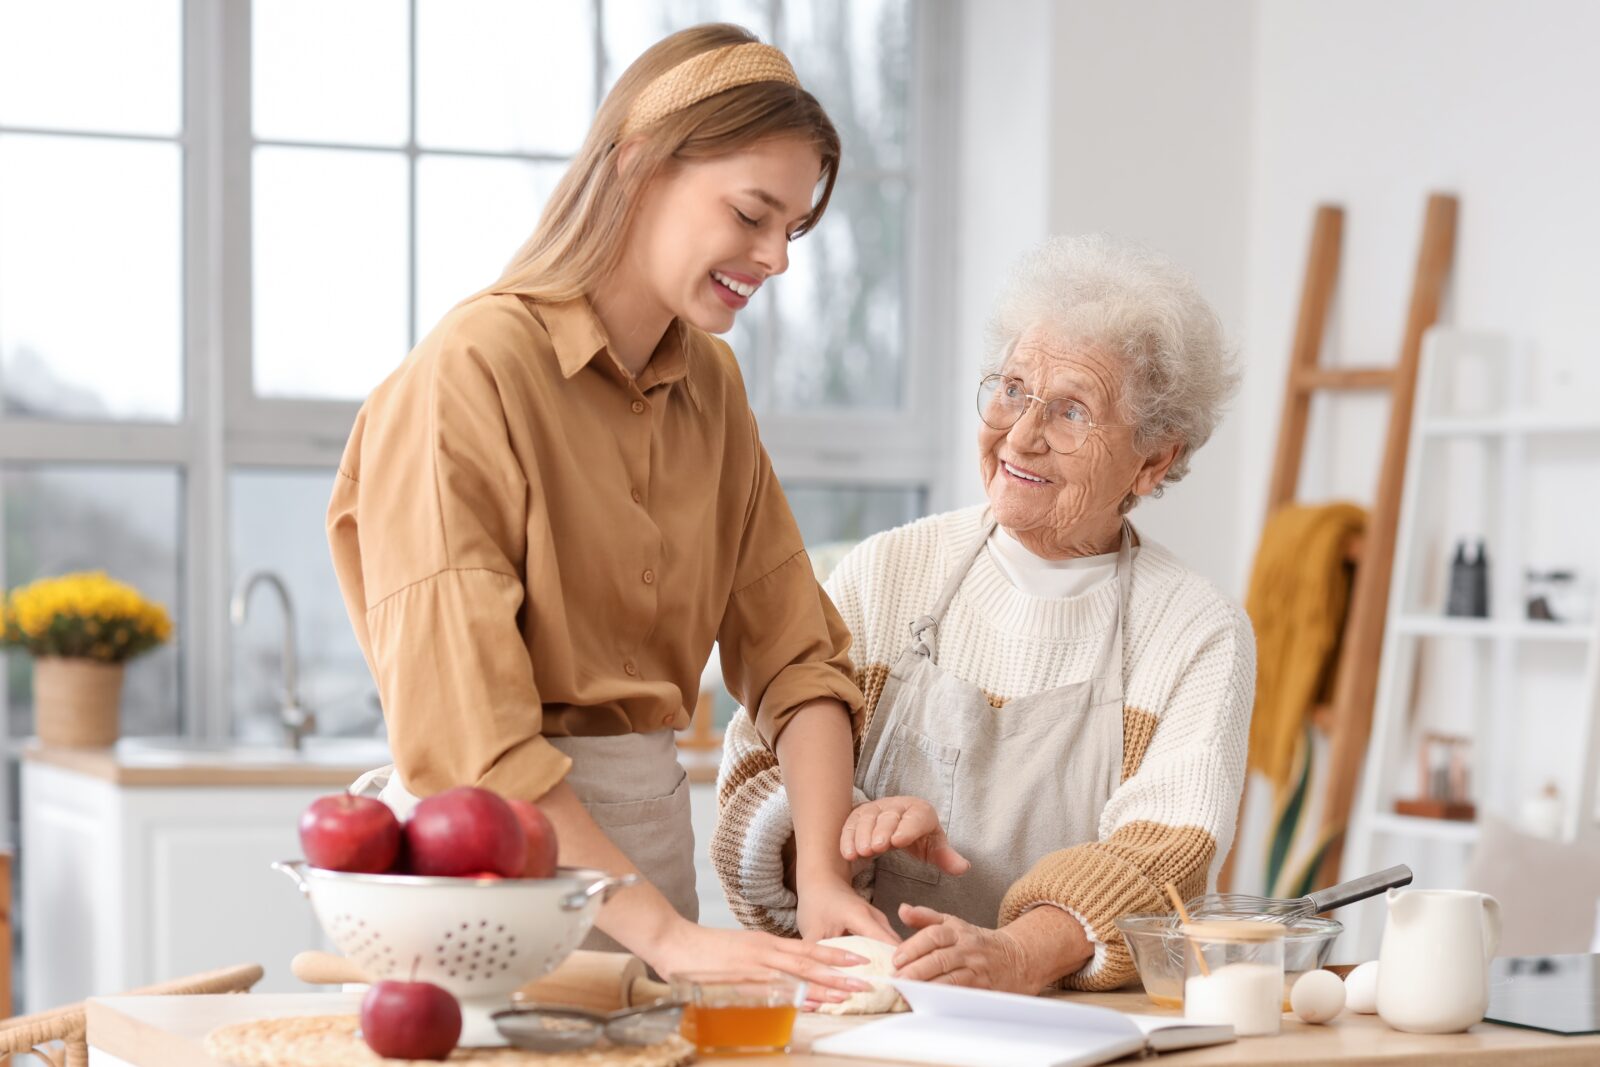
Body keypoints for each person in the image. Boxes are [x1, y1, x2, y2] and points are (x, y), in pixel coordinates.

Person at [328, 23, 891, 994]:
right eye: (752, 214)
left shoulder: (712, 389)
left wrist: (822, 876)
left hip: (648, 873)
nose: (776, 258)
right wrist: (665, 935)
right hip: (493, 871)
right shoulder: (468, 374)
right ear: (637, 166)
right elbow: (473, 739)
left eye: (791, 230)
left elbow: (799, 661)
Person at [714, 234, 1255, 993]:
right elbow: (749, 774)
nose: (1021, 434)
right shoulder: (887, 572)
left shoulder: (1197, 630)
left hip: (1065, 1036)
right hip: (865, 1015)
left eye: (1072, 411)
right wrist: (842, 826)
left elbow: (1163, 853)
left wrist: (1018, 953)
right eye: (1011, 389)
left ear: (1154, 458)